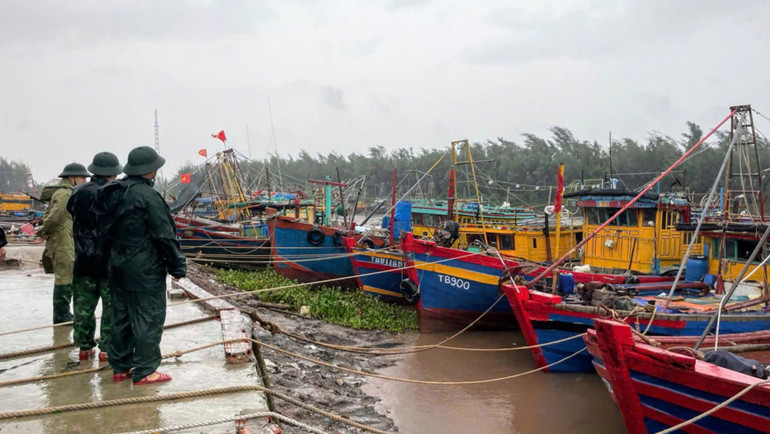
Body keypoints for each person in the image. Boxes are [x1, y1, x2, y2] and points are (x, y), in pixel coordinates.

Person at [99, 146, 186, 385]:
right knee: (148, 317)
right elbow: (164, 235)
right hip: (144, 268)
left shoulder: (112, 192)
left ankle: (121, 367)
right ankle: (146, 370)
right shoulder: (148, 196)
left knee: (122, 317)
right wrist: (177, 265)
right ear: (151, 170)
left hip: (117, 266)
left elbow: (101, 232)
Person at [67, 152, 123, 362]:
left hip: (83, 259)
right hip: (109, 261)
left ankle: (84, 347)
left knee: (83, 306)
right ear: (113, 173)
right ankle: (106, 349)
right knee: (111, 307)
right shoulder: (116, 193)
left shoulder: (78, 191)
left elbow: (71, 212)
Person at [37, 163, 90, 323]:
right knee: (64, 277)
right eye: (82, 177)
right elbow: (55, 216)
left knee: (66, 275)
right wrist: (43, 231)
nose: (84, 180)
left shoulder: (67, 192)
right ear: (72, 178)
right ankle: (61, 315)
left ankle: (63, 313)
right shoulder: (65, 194)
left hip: (65, 238)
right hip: (62, 240)